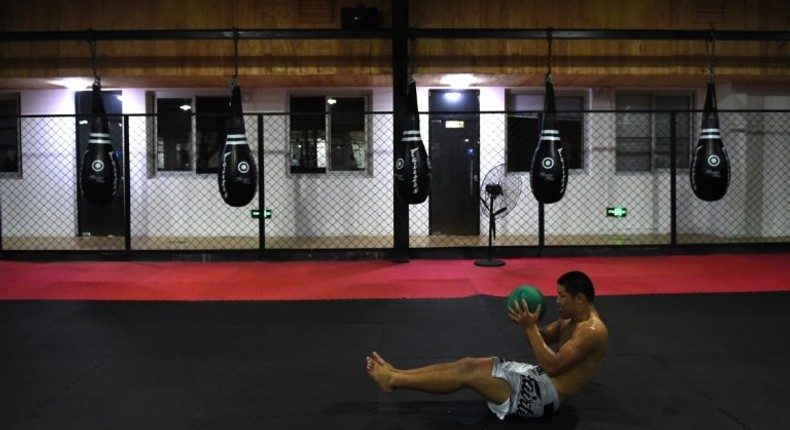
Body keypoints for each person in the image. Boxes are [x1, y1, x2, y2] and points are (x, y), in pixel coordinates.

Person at [365, 270, 608, 420]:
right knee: (467, 363)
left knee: (468, 374)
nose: (557, 301)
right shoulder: (569, 319)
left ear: (580, 299)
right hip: (538, 377)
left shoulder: (592, 331)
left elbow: (554, 366)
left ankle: (394, 382)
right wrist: (527, 323)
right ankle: (396, 373)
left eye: (562, 296)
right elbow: (541, 340)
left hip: (542, 398)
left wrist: (530, 327)